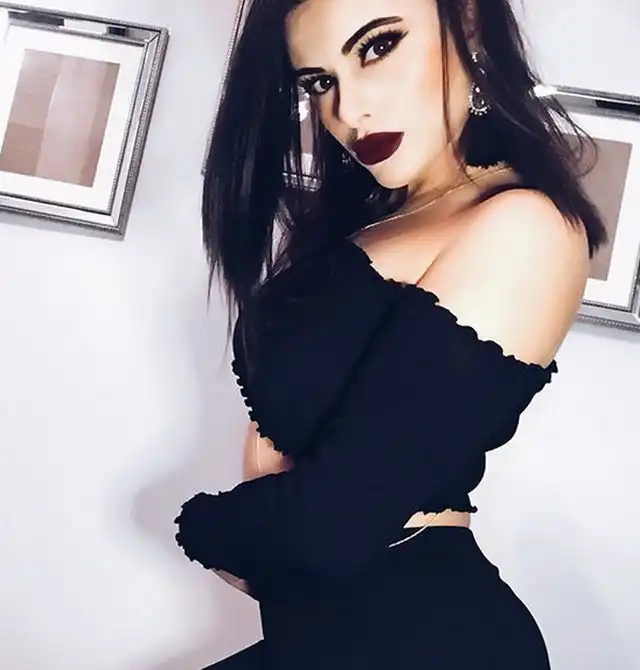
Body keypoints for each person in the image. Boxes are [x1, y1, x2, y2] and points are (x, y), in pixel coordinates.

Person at [175, 0, 608, 668]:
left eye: (376, 48)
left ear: (468, 22)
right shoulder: (376, 218)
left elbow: (327, 527)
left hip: (421, 640)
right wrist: (265, 536)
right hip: (321, 636)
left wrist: (203, 524)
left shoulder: (525, 226)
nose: (349, 110)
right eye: (319, 81)